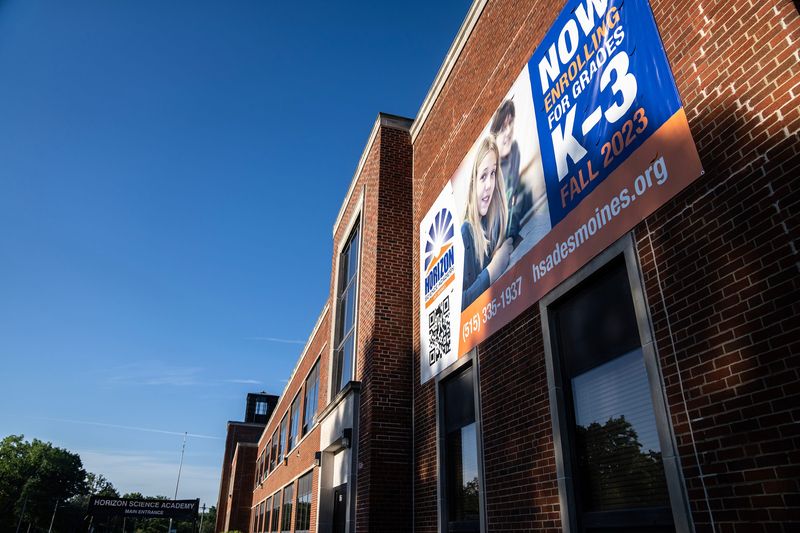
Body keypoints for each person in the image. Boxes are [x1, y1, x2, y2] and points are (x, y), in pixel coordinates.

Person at [461, 136, 513, 310]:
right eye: (483, 176)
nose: (489, 184)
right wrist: (493, 269)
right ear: (473, 182)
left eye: (493, 173)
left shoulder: (497, 222)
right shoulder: (466, 233)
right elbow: (459, 307)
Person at [490, 99, 532, 242]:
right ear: (494, 136)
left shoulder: (514, 151)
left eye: (510, 124)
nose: (508, 131)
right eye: (502, 128)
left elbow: (515, 198)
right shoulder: (488, 176)